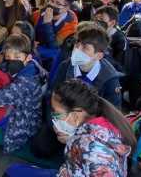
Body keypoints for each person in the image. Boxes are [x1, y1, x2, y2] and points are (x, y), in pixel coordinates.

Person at [31, 23, 123, 159]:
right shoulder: (66, 66)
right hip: (62, 120)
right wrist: (56, 126)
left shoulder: (109, 80)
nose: (77, 50)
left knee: (79, 157)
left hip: (88, 128)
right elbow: (52, 96)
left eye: (85, 48)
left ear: (99, 55)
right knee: (39, 147)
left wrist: (77, 136)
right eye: (77, 44)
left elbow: (110, 118)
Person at [49, 80, 135, 177]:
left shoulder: (92, 152)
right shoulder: (106, 124)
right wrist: (72, 139)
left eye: (56, 114)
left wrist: (74, 141)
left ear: (75, 115)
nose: (54, 118)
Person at [31, 0, 78, 69]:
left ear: (67, 8)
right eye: (51, 1)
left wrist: (47, 24)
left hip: (51, 54)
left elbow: (54, 46)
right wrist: (30, 40)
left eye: (58, 3)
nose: (52, 5)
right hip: (33, 46)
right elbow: (28, 27)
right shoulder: (39, 13)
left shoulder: (71, 25)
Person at [94, 5, 127, 72]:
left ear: (112, 23)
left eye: (101, 19)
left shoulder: (120, 40)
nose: (97, 22)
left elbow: (119, 66)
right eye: (96, 19)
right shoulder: (95, 33)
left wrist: (103, 54)